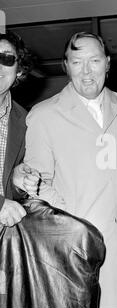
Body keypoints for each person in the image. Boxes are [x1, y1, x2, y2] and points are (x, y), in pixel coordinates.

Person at [13, 32, 117, 308]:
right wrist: (75, 218)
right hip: (77, 252)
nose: (87, 71)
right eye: (77, 62)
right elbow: (35, 186)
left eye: (94, 60)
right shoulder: (43, 116)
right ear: (66, 66)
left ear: (108, 63)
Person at [0, 32, 34, 228]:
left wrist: (18, 181)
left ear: (19, 70)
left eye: (6, 58)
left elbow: (10, 189)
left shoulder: (24, 121)